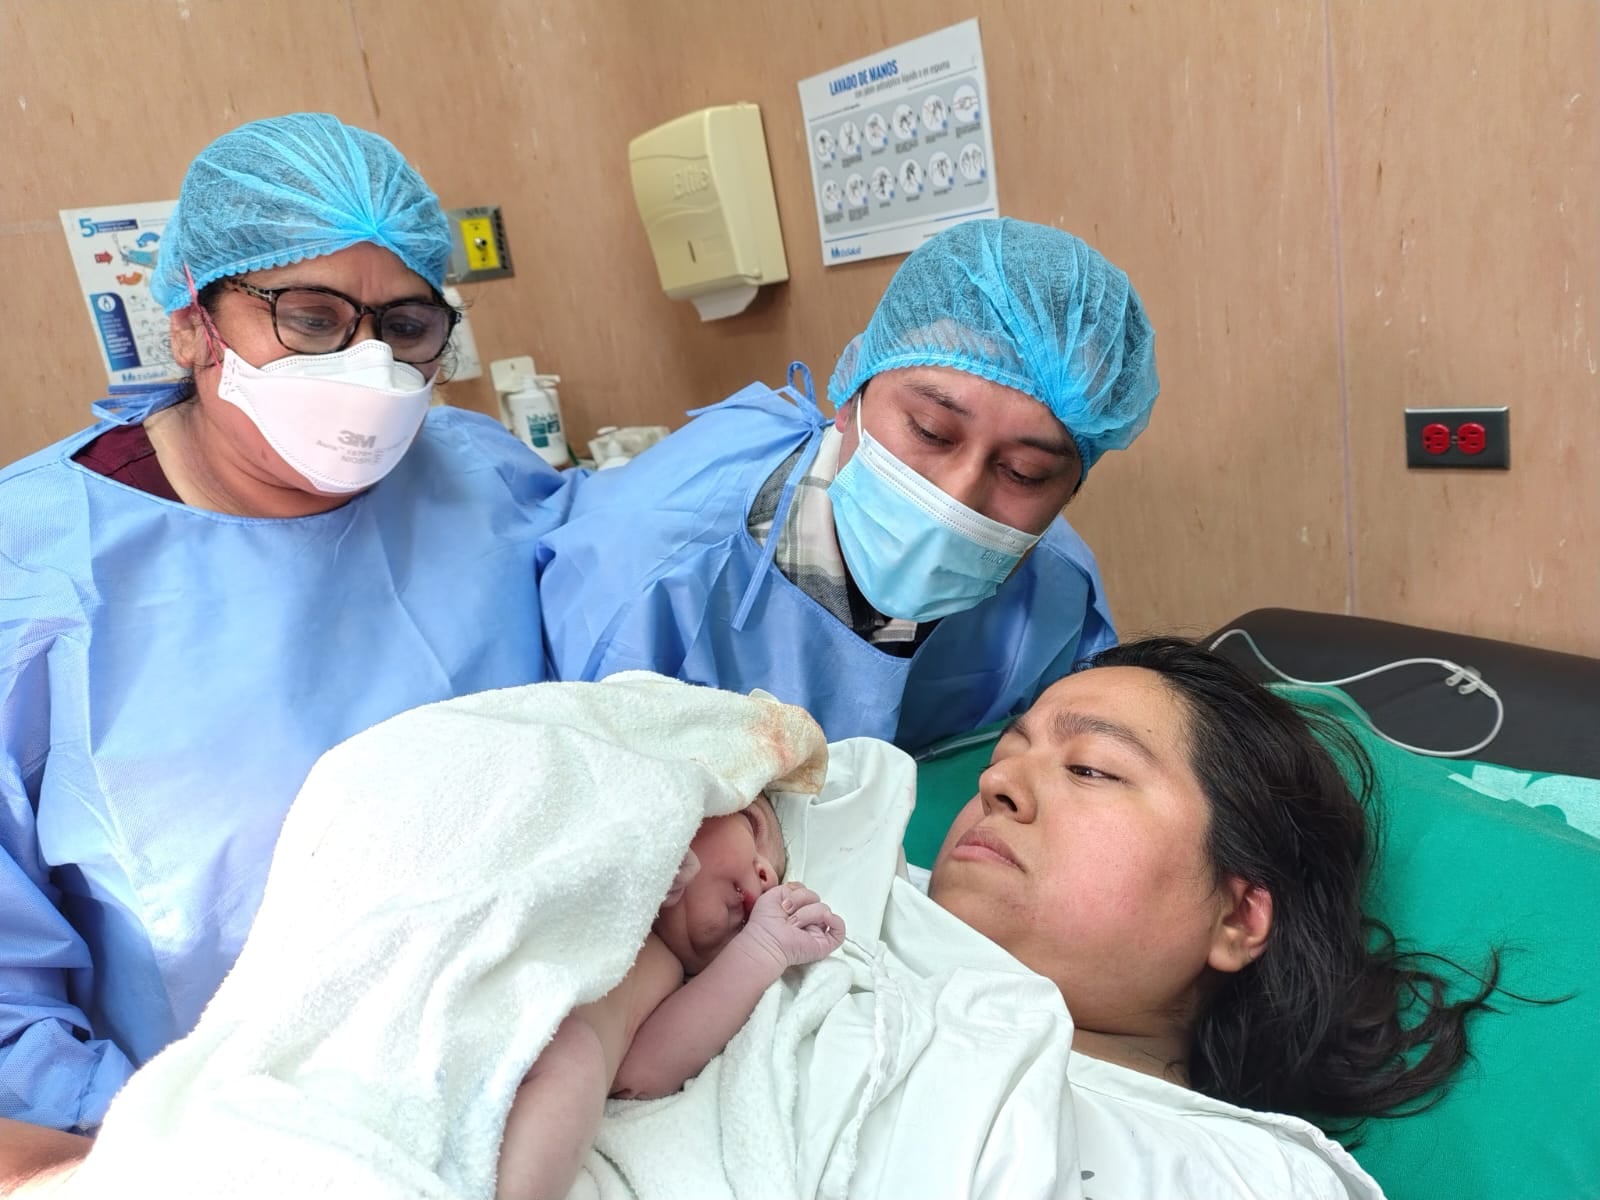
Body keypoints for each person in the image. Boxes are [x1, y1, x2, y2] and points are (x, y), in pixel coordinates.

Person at [0, 112, 567, 1178]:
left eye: (404, 328)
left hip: (530, 1079)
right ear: (190, 326)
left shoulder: (482, 478)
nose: (368, 367)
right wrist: (177, 1148)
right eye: (310, 319)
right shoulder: (30, 574)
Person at [536, 217, 1160, 752]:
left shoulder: (1055, 590)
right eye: (931, 431)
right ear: (850, 395)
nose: (956, 497)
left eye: (1024, 472)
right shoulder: (659, 568)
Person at [925, 637, 1499, 1126]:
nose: (996, 781)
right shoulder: (848, 909)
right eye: (997, 759)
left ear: (1237, 918)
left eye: (1090, 768)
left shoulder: (1256, 1177)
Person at [494, 793, 844, 1200]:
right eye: (752, 827)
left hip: (530, 1053)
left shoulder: (665, 971)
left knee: (575, 1056)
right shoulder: (604, 822)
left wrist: (764, 947)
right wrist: (631, 854)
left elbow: (642, 1073)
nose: (766, 874)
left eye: (777, 882)